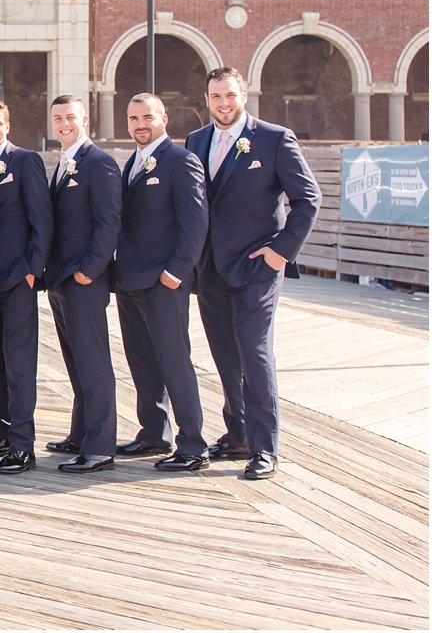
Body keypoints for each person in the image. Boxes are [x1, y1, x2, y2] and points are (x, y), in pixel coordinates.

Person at [185, 67, 320, 481]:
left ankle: (265, 448)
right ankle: (238, 434)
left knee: (254, 353)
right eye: (215, 97)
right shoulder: (195, 141)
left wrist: (281, 253)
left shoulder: (275, 138)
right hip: (209, 268)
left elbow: (308, 198)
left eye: (230, 95)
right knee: (224, 354)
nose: (223, 104)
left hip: (257, 268)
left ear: (243, 94)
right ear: (206, 99)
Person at [113, 93, 211, 471]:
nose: (140, 124)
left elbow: (196, 222)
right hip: (129, 279)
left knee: (174, 361)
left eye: (147, 117)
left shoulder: (181, 160)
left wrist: (177, 272)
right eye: (133, 117)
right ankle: (154, 432)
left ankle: (193, 445)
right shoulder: (131, 163)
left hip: (164, 281)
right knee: (141, 360)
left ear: (164, 119)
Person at [0, 98, 54, 475]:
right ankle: (3, 431)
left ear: (8, 124)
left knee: (19, 363)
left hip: (17, 278)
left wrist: (32, 270)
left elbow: (42, 220)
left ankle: (23, 445)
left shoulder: (25, 161)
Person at [42, 95, 122, 474]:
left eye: (70, 117)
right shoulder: (64, 160)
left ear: (84, 119)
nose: (63, 123)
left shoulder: (99, 163)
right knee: (76, 361)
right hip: (61, 279)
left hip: (84, 279)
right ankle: (80, 433)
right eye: (58, 118)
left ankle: (101, 446)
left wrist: (90, 270)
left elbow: (108, 223)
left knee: (93, 363)